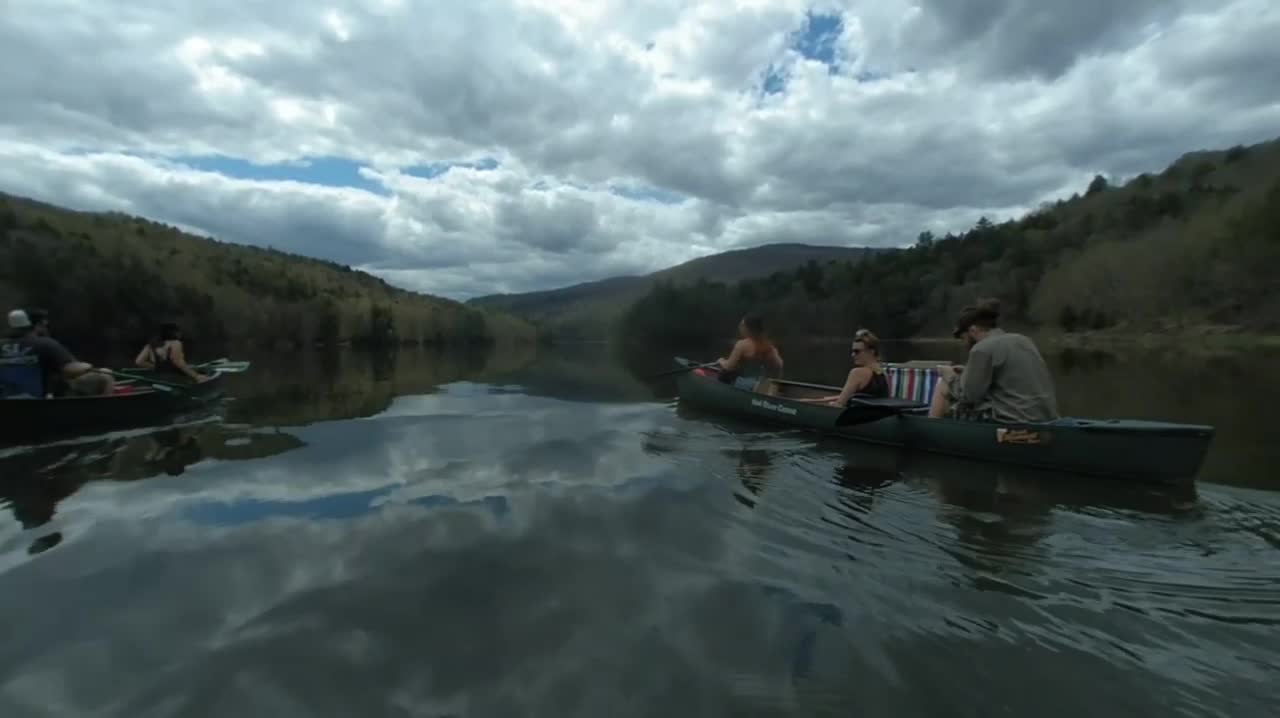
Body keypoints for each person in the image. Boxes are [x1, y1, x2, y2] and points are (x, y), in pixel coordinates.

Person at [928, 298, 1059, 423]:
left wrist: (949, 376)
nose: (964, 344)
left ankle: (932, 430)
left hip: (1014, 420)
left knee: (943, 385)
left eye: (963, 338)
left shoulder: (982, 348)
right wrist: (967, 372)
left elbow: (968, 397)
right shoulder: (1023, 340)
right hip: (1046, 417)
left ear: (972, 330)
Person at [1, 308, 114, 398]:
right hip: (37, 402)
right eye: (44, 324)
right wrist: (87, 366)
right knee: (106, 373)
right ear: (37, 326)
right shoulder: (45, 344)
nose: (46, 327)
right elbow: (70, 370)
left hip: (8, 402)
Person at [798, 328, 889, 406]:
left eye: (857, 351)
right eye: (853, 351)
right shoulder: (883, 373)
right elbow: (861, 396)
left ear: (871, 351)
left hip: (858, 417)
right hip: (876, 415)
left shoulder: (857, 373)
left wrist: (810, 404)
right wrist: (814, 401)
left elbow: (839, 405)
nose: (852, 355)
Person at [716, 313, 784, 394]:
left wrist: (721, 361)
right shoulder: (769, 346)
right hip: (765, 385)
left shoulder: (741, 344)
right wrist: (776, 383)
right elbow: (779, 365)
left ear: (748, 328)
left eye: (742, 325)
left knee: (724, 375)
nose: (739, 327)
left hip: (747, 385)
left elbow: (728, 367)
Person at [134, 321, 210, 383]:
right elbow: (178, 362)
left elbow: (139, 362)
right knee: (202, 373)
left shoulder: (150, 345)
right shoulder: (175, 343)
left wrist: (157, 367)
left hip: (157, 377)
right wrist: (196, 376)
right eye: (178, 331)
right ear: (172, 332)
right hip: (174, 378)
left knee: (192, 367)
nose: (180, 333)